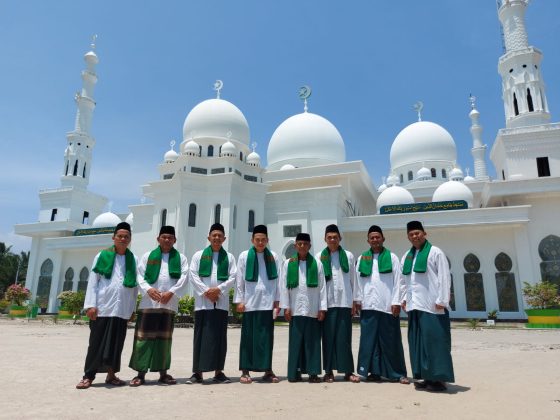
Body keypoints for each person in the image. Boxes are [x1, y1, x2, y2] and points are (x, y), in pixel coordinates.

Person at [76, 222, 138, 389]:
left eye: (126, 237)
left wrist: (132, 309)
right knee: (96, 343)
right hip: (103, 307)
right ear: (114, 238)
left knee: (116, 344)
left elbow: (134, 288)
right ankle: (88, 376)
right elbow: (93, 282)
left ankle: (111, 375)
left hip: (121, 308)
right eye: (120, 236)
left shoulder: (133, 259)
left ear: (130, 239)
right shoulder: (102, 255)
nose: (123, 239)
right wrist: (90, 305)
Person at [128, 225, 189, 386]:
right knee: (144, 339)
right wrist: (148, 290)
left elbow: (184, 277)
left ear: (175, 240)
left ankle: (163, 373)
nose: (167, 240)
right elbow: (139, 276)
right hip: (149, 303)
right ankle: (140, 374)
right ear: (158, 239)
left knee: (164, 339)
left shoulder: (181, 258)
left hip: (168, 304)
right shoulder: (148, 256)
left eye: (170, 237)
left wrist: (172, 292)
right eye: (164, 237)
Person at [401, 220, 455, 392]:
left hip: (433, 306)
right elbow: (404, 281)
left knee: (435, 343)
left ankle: (439, 380)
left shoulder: (435, 252)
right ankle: (425, 376)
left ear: (425, 233)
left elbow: (444, 277)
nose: (414, 236)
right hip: (415, 306)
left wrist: (443, 300)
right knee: (418, 344)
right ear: (408, 237)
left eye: (417, 233)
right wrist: (403, 298)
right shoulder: (407, 256)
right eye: (411, 234)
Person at [354, 225, 408, 384]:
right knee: (368, 340)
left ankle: (397, 373)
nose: (375, 240)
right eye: (372, 237)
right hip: (368, 305)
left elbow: (399, 280)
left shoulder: (392, 257)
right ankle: (369, 372)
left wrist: (397, 301)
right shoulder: (362, 258)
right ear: (368, 240)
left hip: (387, 306)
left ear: (383, 239)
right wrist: (357, 300)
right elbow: (357, 282)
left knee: (391, 341)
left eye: (378, 237)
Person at [187, 223, 237, 384]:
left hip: (220, 304)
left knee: (219, 338)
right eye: (214, 235)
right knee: (200, 337)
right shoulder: (198, 255)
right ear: (208, 237)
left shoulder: (229, 257)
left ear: (224, 239)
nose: (216, 238)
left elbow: (233, 277)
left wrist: (219, 290)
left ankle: (218, 372)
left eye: (219, 236)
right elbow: (193, 275)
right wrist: (207, 292)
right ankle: (198, 373)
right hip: (203, 303)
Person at [234, 224, 282, 384]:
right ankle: (245, 371)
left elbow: (278, 281)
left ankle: (267, 370)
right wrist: (239, 301)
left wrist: (277, 300)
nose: (260, 243)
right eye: (257, 240)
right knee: (248, 338)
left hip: (267, 303)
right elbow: (239, 280)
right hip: (249, 303)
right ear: (252, 240)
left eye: (263, 240)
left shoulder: (273, 257)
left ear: (267, 240)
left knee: (266, 338)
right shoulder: (244, 256)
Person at [280, 232, 327, 383]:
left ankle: (313, 373)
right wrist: (286, 307)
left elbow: (322, 288)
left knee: (312, 342)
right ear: (295, 246)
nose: (302, 246)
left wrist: (322, 308)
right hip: (295, 309)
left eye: (305, 244)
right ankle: (294, 373)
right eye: (299, 244)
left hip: (312, 308)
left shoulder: (317, 264)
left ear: (309, 246)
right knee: (296, 343)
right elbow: (283, 287)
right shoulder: (288, 263)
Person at [316, 224, 359, 383]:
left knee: (344, 338)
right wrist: (319, 305)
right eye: (329, 237)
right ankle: (328, 371)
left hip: (344, 302)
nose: (332, 240)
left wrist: (354, 301)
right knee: (327, 338)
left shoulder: (348, 255)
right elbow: (318, 283)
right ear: (325, 239)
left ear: (340, 238)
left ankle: (348, 371)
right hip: (327, 303)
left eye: (335, 237)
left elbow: (354, 280)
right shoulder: (319, 256)